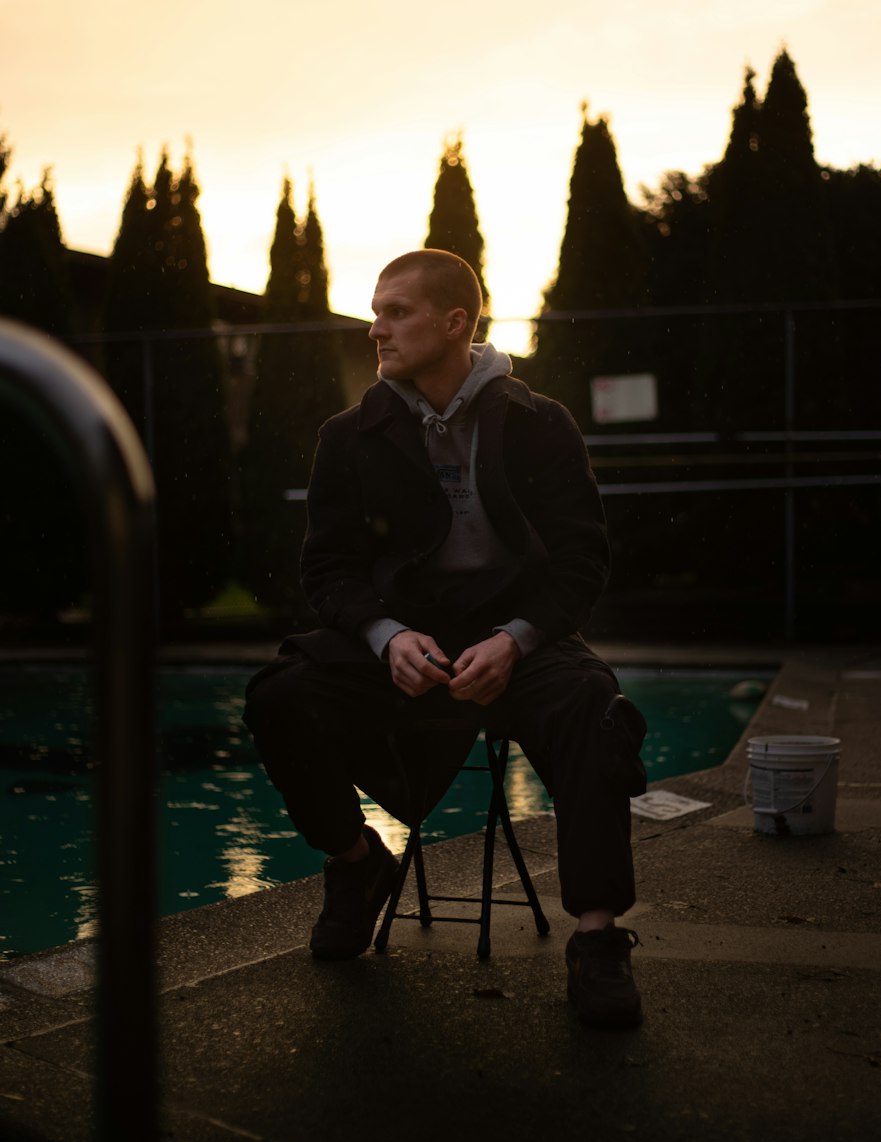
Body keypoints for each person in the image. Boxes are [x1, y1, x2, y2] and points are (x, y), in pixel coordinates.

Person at [244, 249, 648, 1027]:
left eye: (396, 311)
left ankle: (597, 939)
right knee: (281, 694)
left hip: (516, 643)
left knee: (592, 704)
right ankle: (358, 865)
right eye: (376, 310)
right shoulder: (349, 435)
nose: (376, 328)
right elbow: (327, 569)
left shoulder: (541, 423)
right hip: (405, 645)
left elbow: (582, 558)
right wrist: (385, 634)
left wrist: (518, 640)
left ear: (455, 321)